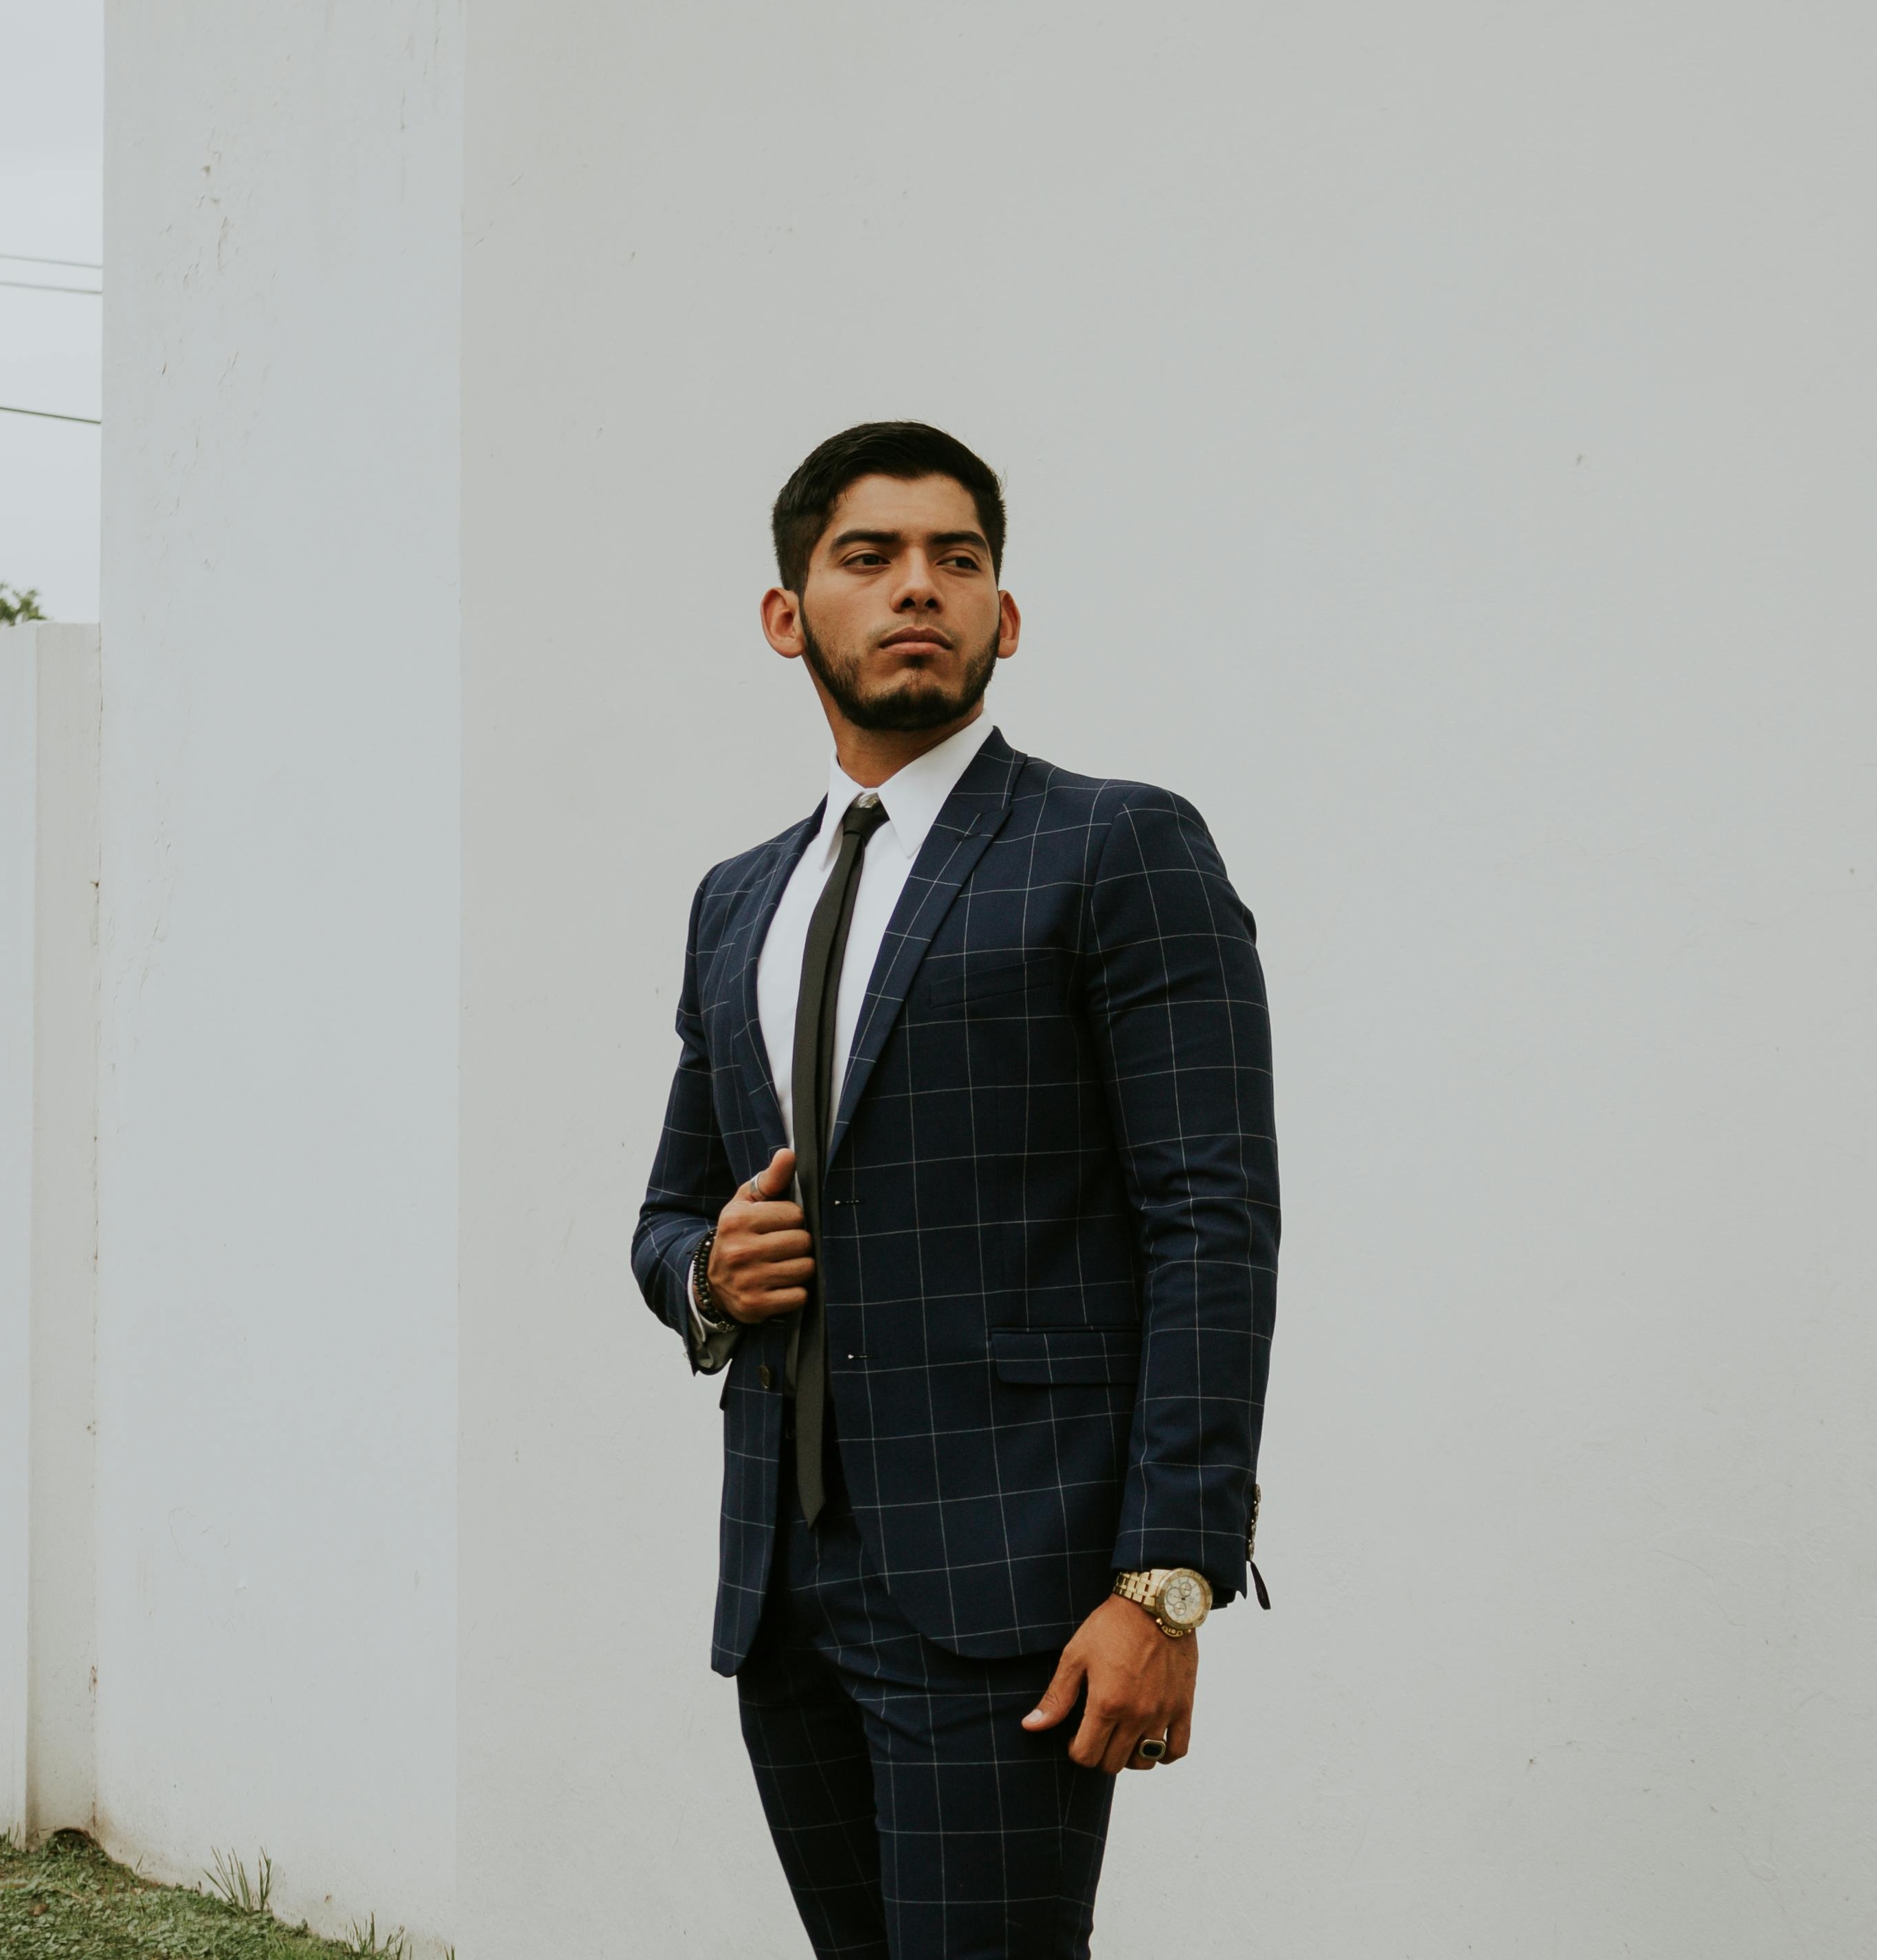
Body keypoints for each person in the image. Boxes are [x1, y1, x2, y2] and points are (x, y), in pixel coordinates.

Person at [633, 422, 1279, 1958]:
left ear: (1007, 613)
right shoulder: (738, 899)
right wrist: (710, 1273)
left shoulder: (1114, 844)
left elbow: (1212, 1221)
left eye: (957, 557)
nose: (917, 586)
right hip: (782, 1588)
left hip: (1016, 1587)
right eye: (869, 557)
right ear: (787, 614)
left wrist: (1168, 1580)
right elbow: (669, 1214)